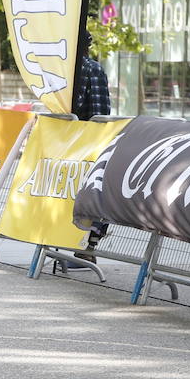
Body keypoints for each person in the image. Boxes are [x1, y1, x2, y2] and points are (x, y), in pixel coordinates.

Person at [71, 32, 111, 263]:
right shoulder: (92, 69)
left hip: (67, 141)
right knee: (95, 193)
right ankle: (88, 246)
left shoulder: (61, 71)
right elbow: (100, 113)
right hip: (87, 142)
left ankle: (75, 244)